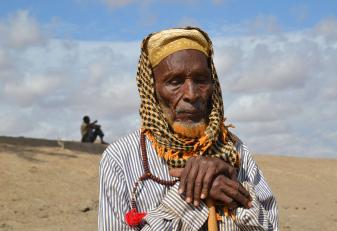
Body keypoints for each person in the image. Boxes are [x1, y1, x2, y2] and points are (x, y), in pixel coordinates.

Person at [98, 27, 279, 230]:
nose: (191, 95)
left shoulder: (235, 151)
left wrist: (233, 189)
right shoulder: (121, 158)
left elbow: (270, 226)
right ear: (151, 89)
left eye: (201, 80)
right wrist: (190, 193)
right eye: (174, 82)